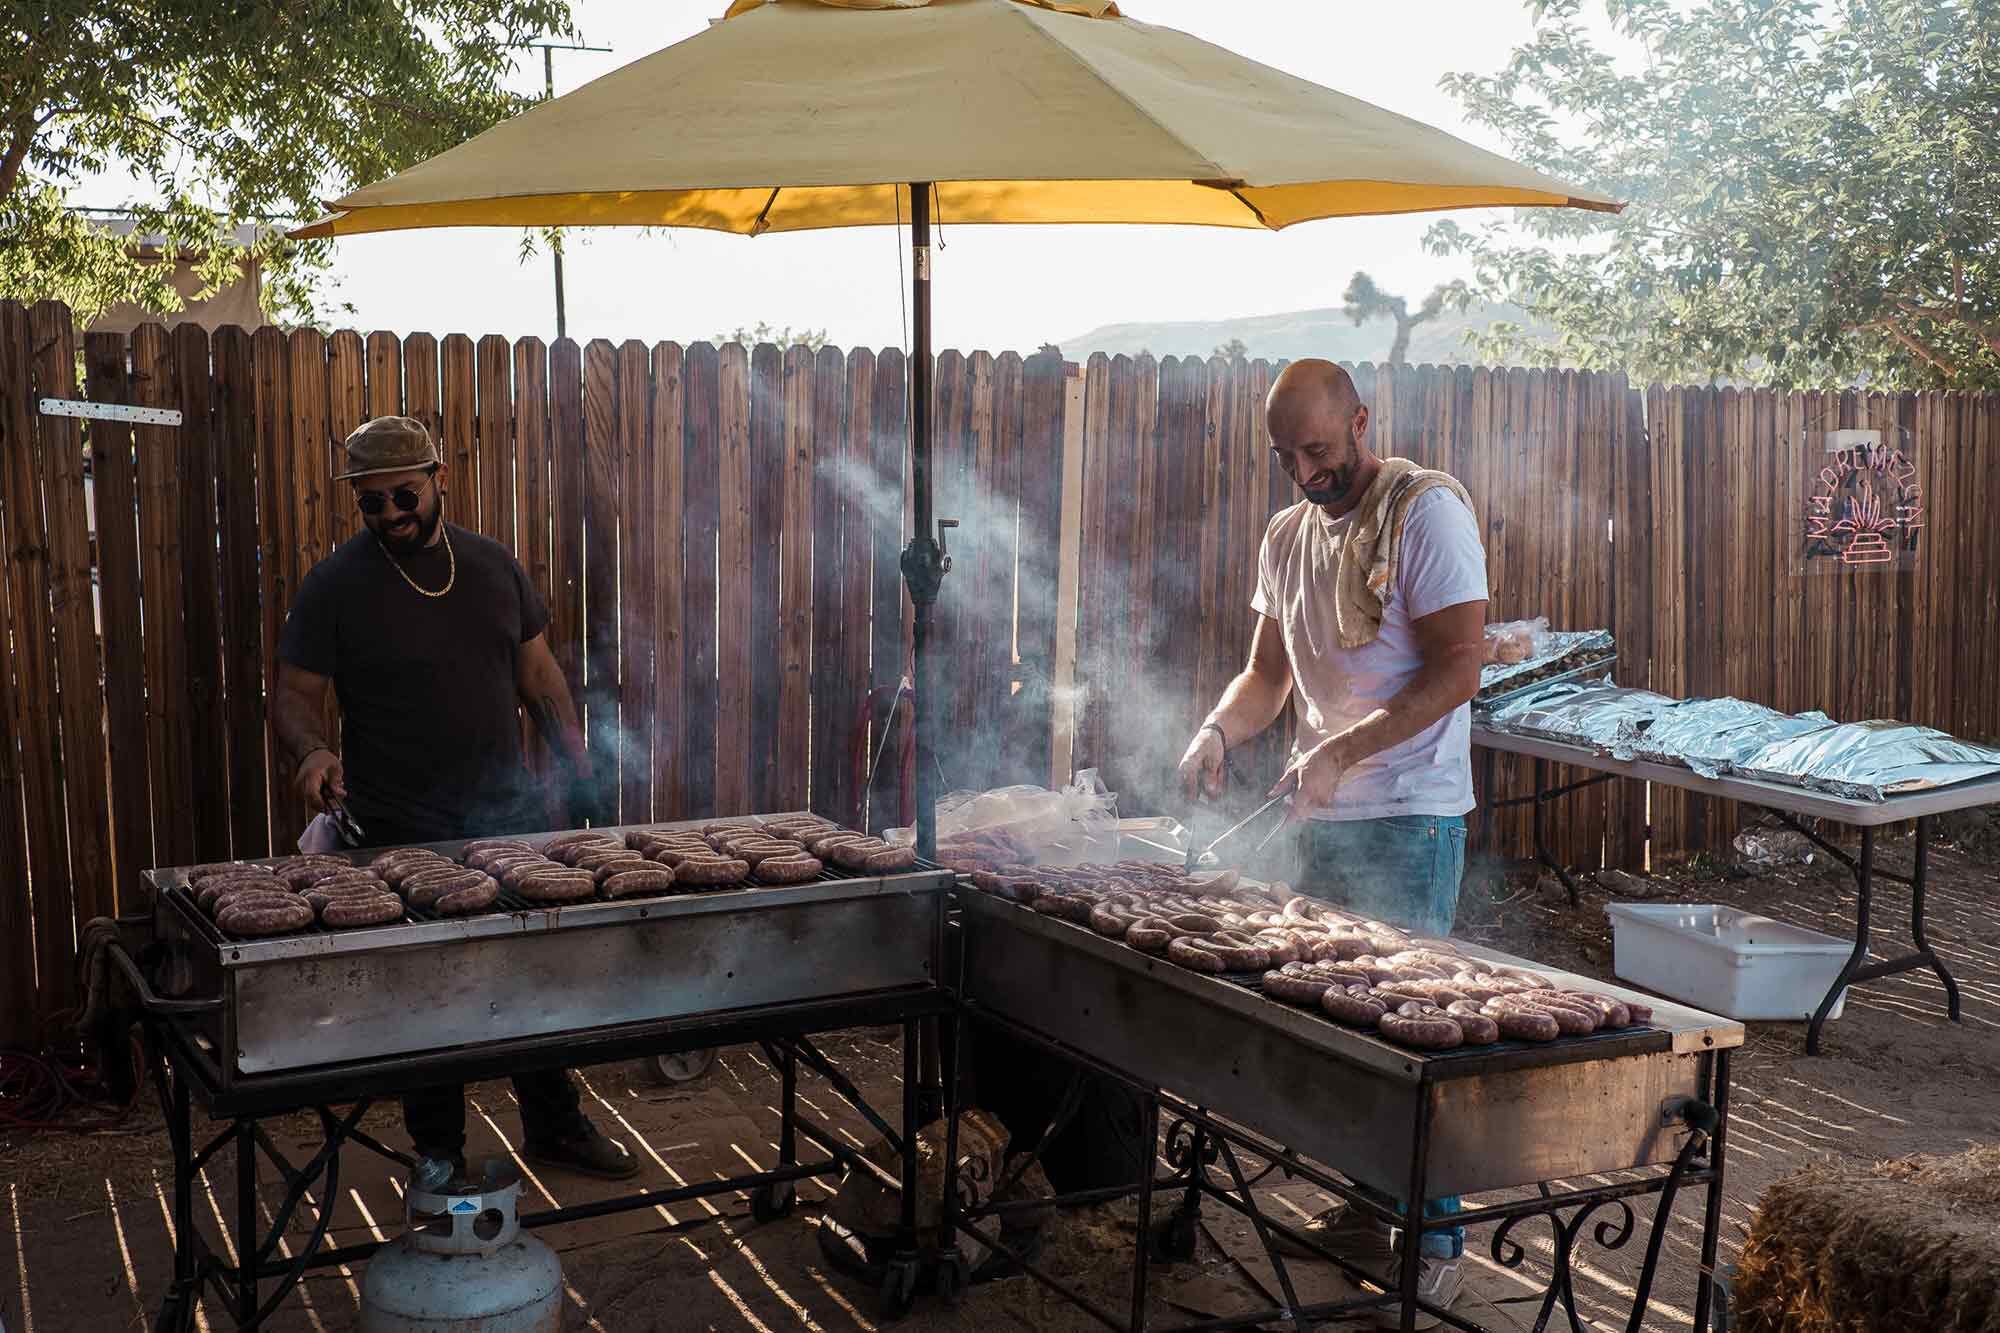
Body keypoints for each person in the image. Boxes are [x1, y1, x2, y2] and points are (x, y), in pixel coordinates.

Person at [1176, 359, 1487, 1326]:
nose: (1306, 472)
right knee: (1343, 1026)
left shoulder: (1427, 515)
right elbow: (1267, 675)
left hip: (1409, 810)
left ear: (1361, 422)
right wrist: (1220, 730)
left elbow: (1459, 666)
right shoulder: (1287, 535)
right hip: (1324, 815)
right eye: (1286, 457)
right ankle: (1368, 1208)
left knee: (1406, 1028)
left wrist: (1344, 749)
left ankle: (1431, 1243)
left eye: (1318, 449)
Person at [272, 414, 638, 1182]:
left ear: (439, 479)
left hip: (506, 818)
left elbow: (540, 680)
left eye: (404, 495)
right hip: (396, 827)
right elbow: (295, 694)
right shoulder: (335, 584)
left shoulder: (492, 566)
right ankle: (438, 1151)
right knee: (430, 1000)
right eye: (372, 504)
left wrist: (579, 773)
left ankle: (555, 1125)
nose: (391, 515)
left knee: (532, 981)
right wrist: (312, 750)